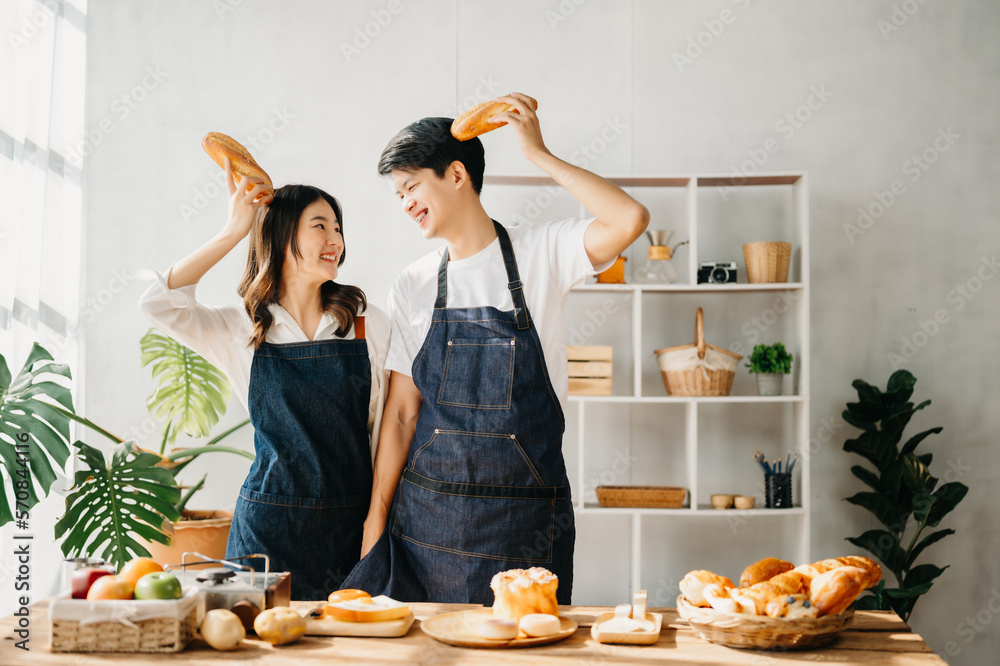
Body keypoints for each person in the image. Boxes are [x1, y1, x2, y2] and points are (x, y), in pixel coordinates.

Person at [343, 93, 649, 604]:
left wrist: (538, 154)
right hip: (427, 529)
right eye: (398, 195)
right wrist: (375, 524)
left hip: (523, 529)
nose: (405, 204)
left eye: (411, 186)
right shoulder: (415, 283)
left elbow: (629, 218)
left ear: (457, 175)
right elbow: (400, 415)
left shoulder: (541, 255)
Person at [138, 160, 390, 600]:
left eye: (338, 227)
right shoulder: (242, 327)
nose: (336, 240)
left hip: (352, 527)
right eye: (320, 226)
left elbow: (389, 429)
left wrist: (378, 519)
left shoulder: (366, 323)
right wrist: (235, 229)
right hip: (267, 531)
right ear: (282, 233)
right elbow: (159, 304)